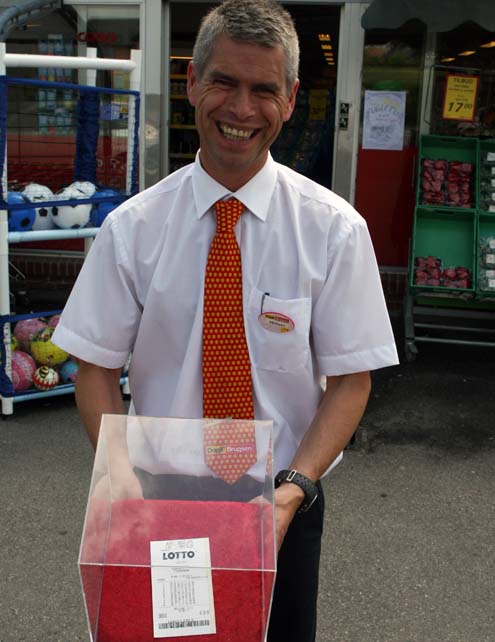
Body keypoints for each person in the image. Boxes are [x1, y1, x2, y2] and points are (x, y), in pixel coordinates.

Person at [53, 1, 398, 640]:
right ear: (191, 83)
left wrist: (293, 491)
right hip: (159, 495)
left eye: (263, 89)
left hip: (284, 495)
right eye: (224, 82)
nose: (241, 109)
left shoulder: (334, 231)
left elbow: (352, 381)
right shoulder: (132, 230)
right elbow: (94, 366)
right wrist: (122, 480)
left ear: (290, 99)